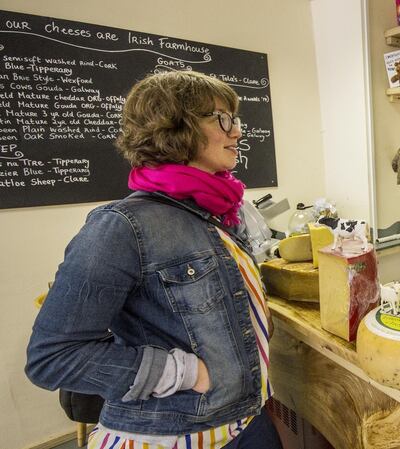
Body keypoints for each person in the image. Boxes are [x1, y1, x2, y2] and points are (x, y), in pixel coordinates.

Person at [26, 71, 282, 449]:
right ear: (176, 128)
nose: (237, 133)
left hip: (246, 420)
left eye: (236, 120)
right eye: (222, 119)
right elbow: (53, 356)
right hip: (174, 435)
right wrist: (186, 372)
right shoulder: (121, 227)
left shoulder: (215, 211)